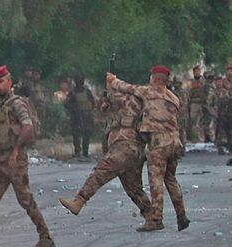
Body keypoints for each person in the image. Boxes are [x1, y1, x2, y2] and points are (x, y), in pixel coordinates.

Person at [0, 65, 55, 247]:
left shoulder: (17, 103)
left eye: (1, 81)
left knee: (25, 199)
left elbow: (27, 127)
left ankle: (45, 237)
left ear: (9, 82)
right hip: (1, 160)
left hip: (15, 159)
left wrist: (16, 151)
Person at [107, 65, 190, 232]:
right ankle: (181, 215)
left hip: (158, 142)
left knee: (156, 180)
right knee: (171, 179)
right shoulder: (174, 97)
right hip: (174, 142)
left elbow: (126, 87)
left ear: (154, 78)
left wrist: (112, 80)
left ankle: (156, 219)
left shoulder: (148, 92)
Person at [58, 85, 152, 227]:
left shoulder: (131, 100)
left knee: (101, 171)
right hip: (127, 149)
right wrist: (105, 104)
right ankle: (152, 216)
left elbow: (117, 101)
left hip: (126, 147)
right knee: (133, 188)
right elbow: (100, 114)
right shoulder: (115, 106)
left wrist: (111, 87)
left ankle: (79, 201)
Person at [66, 75, 95, 158]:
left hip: (85, 116)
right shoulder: (72, 93)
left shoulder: (87, 92)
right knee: (77, 135)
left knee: (86, 135)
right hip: (77, 116)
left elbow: (92, 103)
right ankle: (78, 151)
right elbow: (67, 104)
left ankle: (84, 151)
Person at [206, 75, 230, 154]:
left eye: (220, 81)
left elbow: (229, 102)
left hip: (225, 114)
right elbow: (209, 104)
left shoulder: (225, 92)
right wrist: (213, 112)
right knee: (216, 130)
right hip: (216, 114)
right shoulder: (212, 92)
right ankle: (218, 145)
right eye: (217, 82)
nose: (219, 83)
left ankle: (227, 144)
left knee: (225, 129)